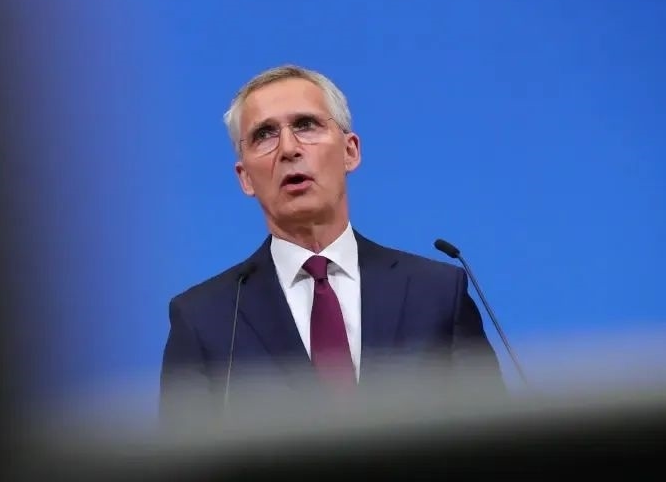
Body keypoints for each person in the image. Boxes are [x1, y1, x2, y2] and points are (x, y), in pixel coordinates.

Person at [160, 64, 505, 428]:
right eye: (264, 135)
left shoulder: (436, 294)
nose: (288, 148)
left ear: (350, 151)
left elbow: (494, 443)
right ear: (245, 177)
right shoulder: (205, 320)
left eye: (306, 125)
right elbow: (184, 458)